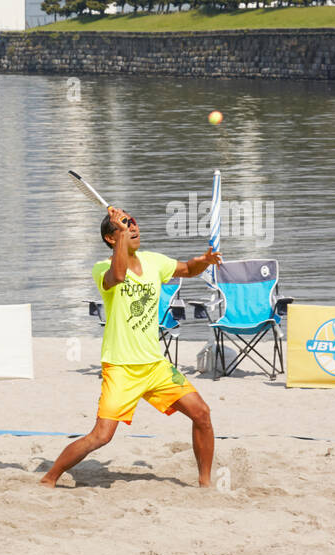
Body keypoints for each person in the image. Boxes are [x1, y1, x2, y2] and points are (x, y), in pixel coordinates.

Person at [40, 205, 220, 489]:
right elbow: (119, 276)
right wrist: (120, 231)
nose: (133, 228)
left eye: (134, 224)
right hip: (121, 367)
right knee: (101, 436)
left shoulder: (154, 262)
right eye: (126, 226)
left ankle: (205, 483)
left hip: (155, 366)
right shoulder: (103, 268)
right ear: (112, 238)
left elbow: (186, 269)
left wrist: (205, 261)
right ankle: (49, 478)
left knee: (202, 413)